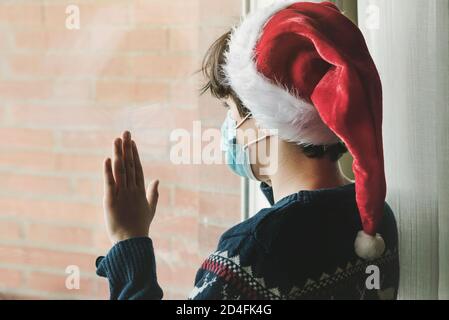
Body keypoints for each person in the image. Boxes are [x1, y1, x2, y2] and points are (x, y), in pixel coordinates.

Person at [96, 1, 400, 300]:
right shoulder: (374, 219)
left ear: (266, 117)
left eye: (231, 110)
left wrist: (130, 242)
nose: (230, 128)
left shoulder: (249, 256)